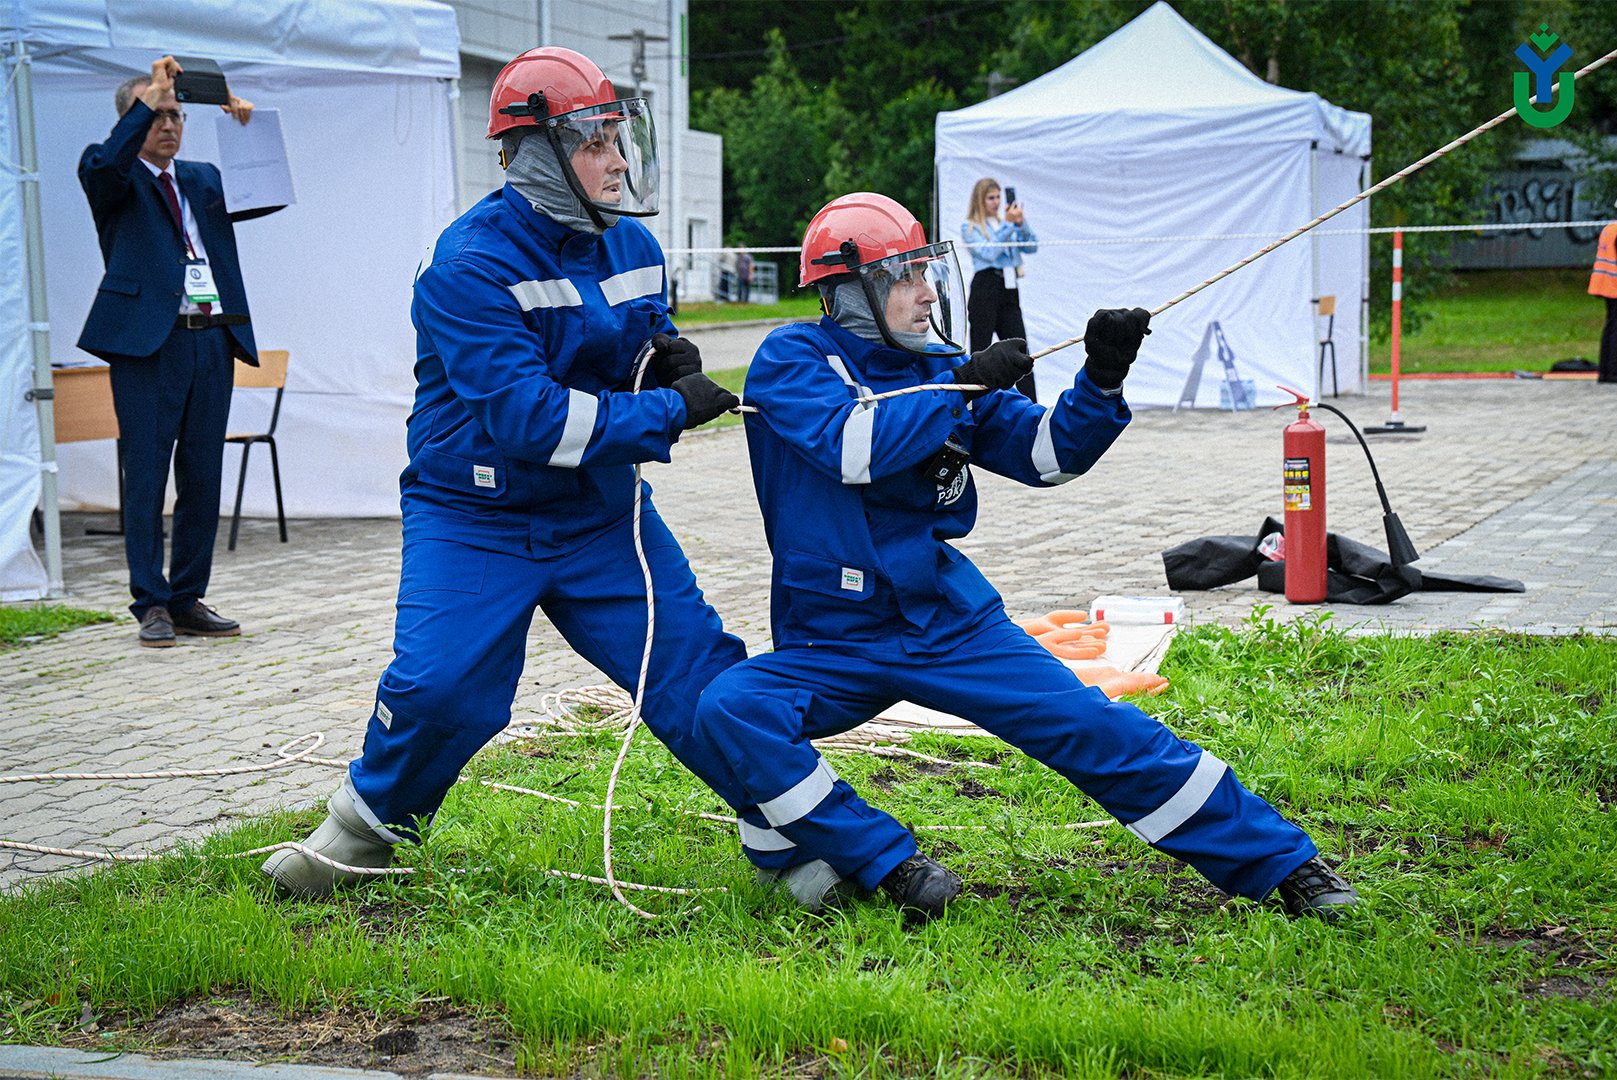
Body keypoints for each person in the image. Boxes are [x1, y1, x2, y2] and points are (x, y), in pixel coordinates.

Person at [693, 192, 1360, 922]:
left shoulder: (941, 366)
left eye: (926, 270)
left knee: (1098, 728)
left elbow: (1049, 457)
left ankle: (1288, 866)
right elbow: (855, 447)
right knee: (732, 707)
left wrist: (1101, 380)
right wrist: (963, 385)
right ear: (847, 290)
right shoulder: (793, 359)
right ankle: (885, 862)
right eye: (904, 276)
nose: (927, 292)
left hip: (949, 623)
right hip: (834, 635)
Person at [262, 47, 754, 897]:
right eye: (597, 143)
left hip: (600, 512)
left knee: (697, 672)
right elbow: (535, 421)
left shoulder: (631, 241)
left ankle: (793, 828)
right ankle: (353, 838)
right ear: (535, 151)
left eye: (617, 139)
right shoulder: (467, 265)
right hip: (474, 517)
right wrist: (674, 409)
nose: (619, 160)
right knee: (443, 689)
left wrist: (660, 360)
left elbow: (628, 342)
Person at [77, 56, 258, 647]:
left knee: (203, 473)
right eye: (158, 114)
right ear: (134, 117)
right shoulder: (113, 173)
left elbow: (266, 192)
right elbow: (108, 162)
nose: (170, 125)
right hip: (149, 344)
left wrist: (244, 129)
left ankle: (186, 596)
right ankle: (149, 600)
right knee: (148, 473)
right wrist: (148, 98)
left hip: (211, 335)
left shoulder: (203, 177)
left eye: (177, 115)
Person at [961, 177, 1038, 399]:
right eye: (991, 198)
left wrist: (1021, 224)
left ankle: (1031, 404)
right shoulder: (971, 226)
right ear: (980, 200)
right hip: (985, 286)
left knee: (1021, 350)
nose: (996, 202)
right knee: (981, 348)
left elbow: (1032, 246)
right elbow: (987, 253)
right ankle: (975, 402)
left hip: (1009, 287)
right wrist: (1008, 225)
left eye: (998, 197)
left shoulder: (1008, 223)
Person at [1589, 195, 1617, 383]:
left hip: (1605, 284)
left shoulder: (1610, 228)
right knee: (1616, 330)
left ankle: (1606, 372)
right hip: (1615, 286)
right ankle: (1614, 372)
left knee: (1610, 328)